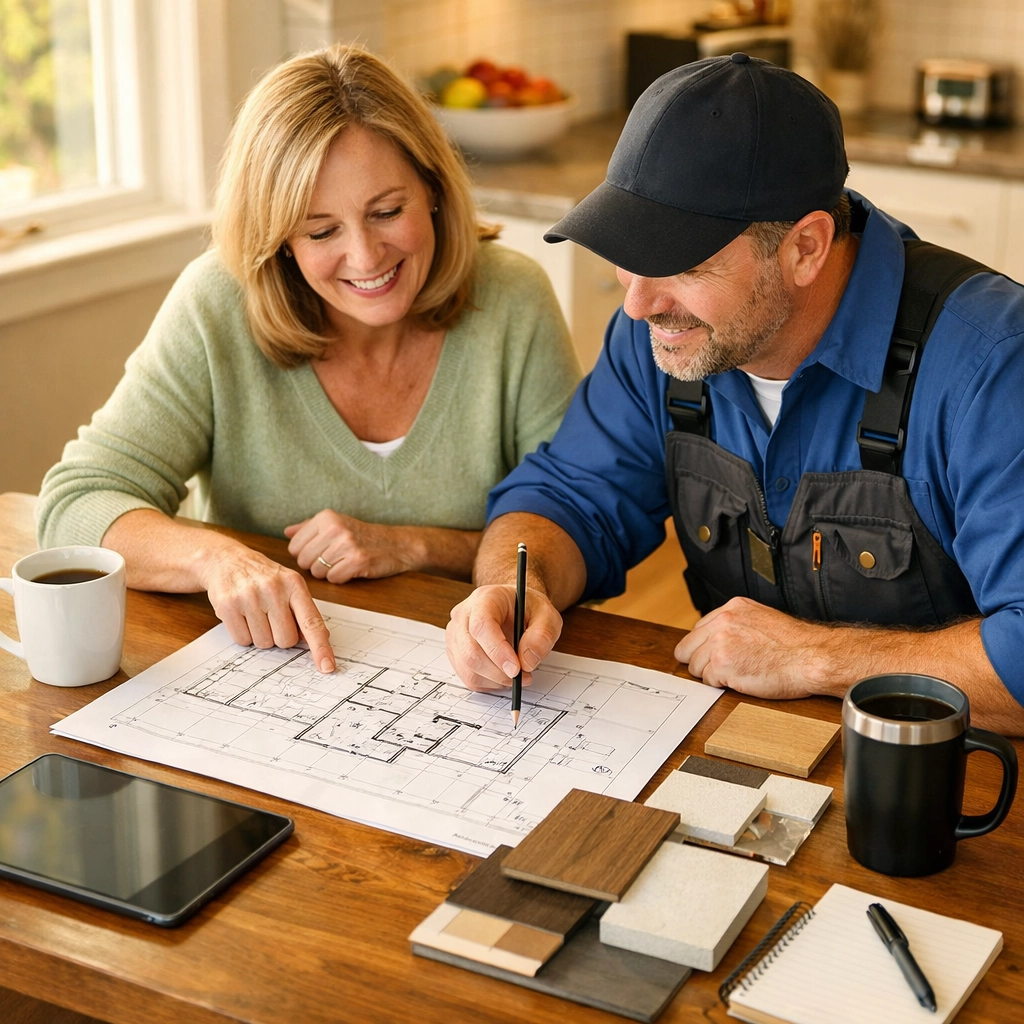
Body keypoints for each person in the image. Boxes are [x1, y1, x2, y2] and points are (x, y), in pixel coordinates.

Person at [444, 53, 1024, 736]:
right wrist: (517, 584)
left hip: (964, 788)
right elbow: (569, 497)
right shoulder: (661, 334)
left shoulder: (992, 364)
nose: (638, 305)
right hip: (751, 753)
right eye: (632, 254)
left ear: (806, 248)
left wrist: (812, 658)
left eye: (686, 266)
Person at [37, 45, 580, 675]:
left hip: (474, 679)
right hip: (271, 676)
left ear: (432, 188)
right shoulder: (217, 301)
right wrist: (217, 559)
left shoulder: (514, 298)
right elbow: (75, 503)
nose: (366, 256)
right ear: (281, 241)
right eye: (321, 230)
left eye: (387, 211)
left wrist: (411, 545)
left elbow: (573, 524)